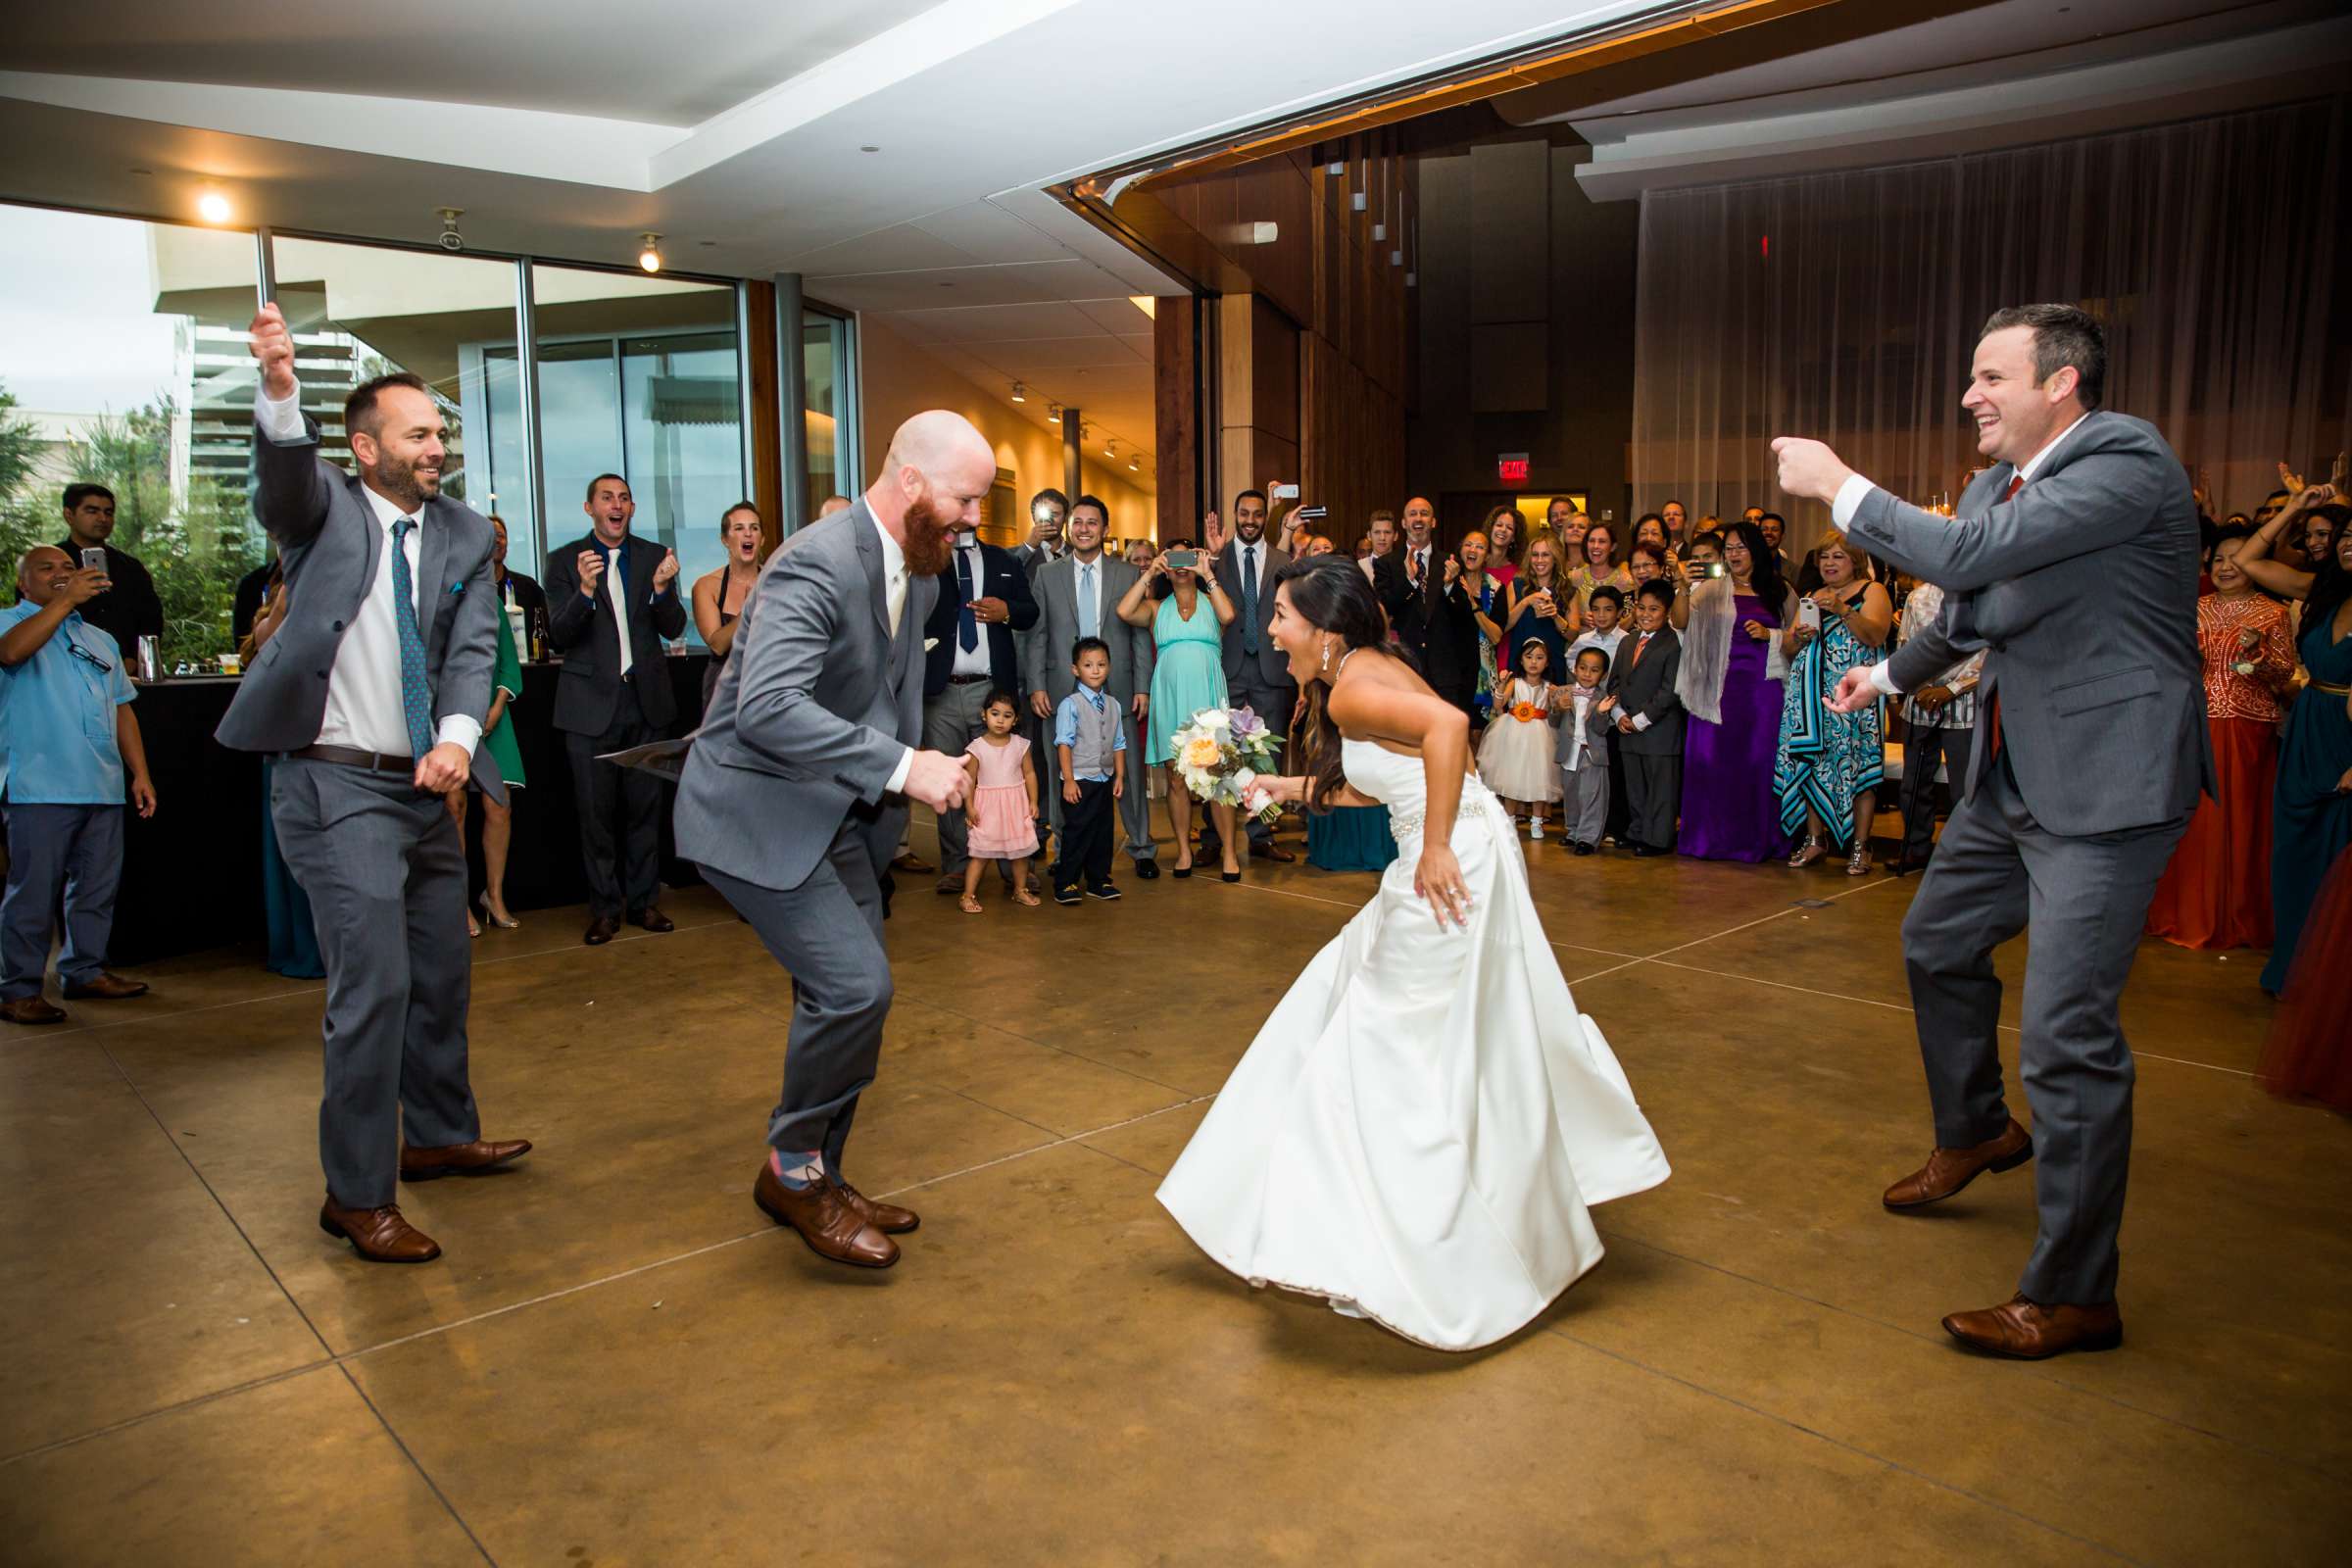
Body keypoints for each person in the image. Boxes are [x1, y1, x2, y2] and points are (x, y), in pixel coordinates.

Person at [1778, 301, 2207, 1358]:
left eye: (1990, 376)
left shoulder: (2123, 458)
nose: (1970, 394)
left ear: (2059, 384)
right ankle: (1976, 1130)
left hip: (2108, 783)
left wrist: (1842, 486)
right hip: (2015, 779)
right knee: (1934, 941)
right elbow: (1967, 610)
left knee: (2068, 1038)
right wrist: (1884, 672)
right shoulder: (1990, 485)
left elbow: (1973, 552)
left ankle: (2074, 1295)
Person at [1156, 556, 1669, 1351]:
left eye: (1283, 617)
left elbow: (1452, 729)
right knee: (1369, 1016)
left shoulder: (1358, 685)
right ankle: (1393, 1226)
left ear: (1322, 628)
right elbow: (1380, 779)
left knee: (1380, 1044)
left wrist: (1432, 848)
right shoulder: (1363, 672)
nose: (1271, 630)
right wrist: (1281, 790)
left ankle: (1412, 1248)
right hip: (1461, 844)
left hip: (1447, 862)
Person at [220, 305, 529, 1264]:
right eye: (421, 432)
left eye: (441, 432)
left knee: (440, 971)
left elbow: (475, 647)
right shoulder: (327, 513)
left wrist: (452, 738)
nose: (439, 445)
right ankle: (356, 1195)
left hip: (418, 788)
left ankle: (435, 1134)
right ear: (366, 447)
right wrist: (279, 394)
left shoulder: (466, 533)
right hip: (332, 783)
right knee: (378, 986)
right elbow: (281, 486)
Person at [676, 410, 980, 1271]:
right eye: (965, 498)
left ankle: (822, 1172)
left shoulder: (917, 570)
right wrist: (901, 768)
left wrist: (908, 770)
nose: (972, 518)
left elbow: (887, 694)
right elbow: (766, 709)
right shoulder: (810, 561)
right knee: (854, 989)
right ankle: (793, 1170)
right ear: (913, 481)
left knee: (851, 1002)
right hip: (759, 812)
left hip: (842, 813)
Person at [0, 545, 157, 1025]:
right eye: (47, 569)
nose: (62, 574)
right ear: (24, 584)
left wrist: (140, 773)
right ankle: (17, 989)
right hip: (40, 784)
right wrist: (64, 601)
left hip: (102, 782)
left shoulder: (100, 639)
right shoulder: (9, 620)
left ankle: (84, 971)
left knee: (95, 888)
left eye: (69, 568)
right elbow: (10, 653)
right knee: (32, 892)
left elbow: (122, 708)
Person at [545, 473, 687, 945]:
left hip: (645, 702)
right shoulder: (566, 561)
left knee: (645, 810)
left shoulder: (652, 557)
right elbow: (561, 636)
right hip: (589, 709)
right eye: (607, 498)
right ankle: (605, 909)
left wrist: (665, 590)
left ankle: (644, 904)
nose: (617, 505)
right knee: (596, 814)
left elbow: (673, 627)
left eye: (624, 498)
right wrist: (585, 592)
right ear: (590, 508)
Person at [2144, 524, 2296, 949]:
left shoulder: (2273, 613)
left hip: (2248, 725)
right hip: (2195, 721)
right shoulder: (2193, 608)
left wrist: (2256, 657)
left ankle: (2237, 915)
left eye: (2236, 558)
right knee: (2195, 818)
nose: (2226, 567)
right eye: (2219, 560)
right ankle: (2185, 910)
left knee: (2242, 818)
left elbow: (2281, 676)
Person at [2233, 491, 2352, 994]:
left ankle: (2332, 980)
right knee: (2295, 854)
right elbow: (2246, 560)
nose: (2348, 546)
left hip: (2346, 741)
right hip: (2307, 731)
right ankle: (2293, 968)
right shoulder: (2322, 590)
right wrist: (2294, 507)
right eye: (2346, 538)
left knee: (2338, 861)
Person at [1025, 496, 1158, 880]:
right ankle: (1065, 851)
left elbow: (1138, 635)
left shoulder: (1126, 574)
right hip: (1060, 688)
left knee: (1127, 768)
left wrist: (1142, 686)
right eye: (1077, 522)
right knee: (1060, 768)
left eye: (1092, 523)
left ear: (1105, 528)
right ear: (1069, 526)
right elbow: (1037, 635)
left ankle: (1141, 846)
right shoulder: (1048, 575)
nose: (1084, 529)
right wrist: (1036, 684)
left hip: (1117, 686)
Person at [923, 510, 1040, 895]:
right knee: (950, 779)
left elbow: (1029, 612)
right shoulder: (929, 562)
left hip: (992, 693)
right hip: (941, 690)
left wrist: (1007, 612)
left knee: (1003, 780)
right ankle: (958, 865)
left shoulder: (1002, 561)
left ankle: (1013, 865)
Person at [1670, 519, 1793, 862]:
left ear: (1756, 550)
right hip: (1716, 690)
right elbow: (1680, 621)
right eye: (1729, 548)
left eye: (1741, 547)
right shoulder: (1712, 588)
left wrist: (1772, 636)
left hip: (1761, 691)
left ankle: (1756, 839)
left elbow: (1799, 637)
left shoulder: (1778, 590)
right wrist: (1683, 587)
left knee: (1757, 763)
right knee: (1712, 763)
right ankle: (1710, 839)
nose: (1734, 554)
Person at [1117, 539, 1240, 880]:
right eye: (1174, 557)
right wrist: (1150, 573)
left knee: (1218, 778)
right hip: (1170, 697)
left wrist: (1208, 573)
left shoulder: (1212, 601)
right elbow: (1124, 612)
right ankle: (1184, 851)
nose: (1181, 563)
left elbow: (1229, 615)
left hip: (1207, 695)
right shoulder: (1157, 608)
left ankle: (1230, 853)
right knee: (1176, 779)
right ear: (1166, 566)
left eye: (1188, 555)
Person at [1775, 532, 1892, 874]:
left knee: (1858, 763)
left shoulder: (1873, 591)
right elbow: (1789, 648)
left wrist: (1842, 610)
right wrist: (1797, 637)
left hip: (1853, 693)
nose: (1829, 563)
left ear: (1854, 560)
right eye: (1824, 557)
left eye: (1838, 557)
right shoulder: (1812, 596)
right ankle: (1815, 841)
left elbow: (1876, 635)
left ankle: (1861, 844)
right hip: (1810, 695)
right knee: (1811, 761)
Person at [237, 560, 326, 979]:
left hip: (336, 750)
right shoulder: (272, 623)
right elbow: (266, 644)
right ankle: (306, 949)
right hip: (291, 754)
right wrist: (289, 601)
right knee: (299, 857)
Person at [1204, 490, 1297, 863]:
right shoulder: (1217, 556)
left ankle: (1261, 835)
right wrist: (1210, 556)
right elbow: (1196, 593)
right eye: (1244, 513)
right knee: (1218, 755)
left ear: (1264, 519)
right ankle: (1212, 837)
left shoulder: (1282, 559)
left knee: (1268, 756)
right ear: (1235, 514)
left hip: (1271, 672)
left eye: (1257, 515)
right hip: (1228, 668)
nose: (1250, 520)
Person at [449, 576, 528, 936]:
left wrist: (497, 707)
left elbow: (509, 663)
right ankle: (457, 903)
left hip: (493, 717)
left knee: (500, 805)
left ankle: (493, 896)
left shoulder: (489, 601)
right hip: (447, 718)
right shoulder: (432, 597)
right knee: (454, 807)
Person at [1888, 576, 1984, 878]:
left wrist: (1951, 689)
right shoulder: (1919, 597)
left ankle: (1962, 856)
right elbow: (1907, 647)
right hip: (1921, 700)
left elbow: (1988, 652)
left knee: (1964, 787)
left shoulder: (1981, 595)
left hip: (1965, 703)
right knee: (1913, 784)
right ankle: (1916, 847)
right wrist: (1922, 686)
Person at [1602, 579, 1686, 856]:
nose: (1646, 614)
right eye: (1641, 607)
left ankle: (1658, 838)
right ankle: (1637, 831)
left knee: (1660, 788)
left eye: (1654, 609)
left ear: (1667, 612)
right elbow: (1614, 682)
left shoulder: (1672, 643)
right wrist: (1618, 713)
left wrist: (1640, 719)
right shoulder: (1628, 641)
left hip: (1658, 730)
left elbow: (1670, 689)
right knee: (1635, 787)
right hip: (1626, 726)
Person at [1051, 639, 1130, 905]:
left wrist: (1119, 775)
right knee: (1077, 831)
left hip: (1104, 778)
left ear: (1108, 667)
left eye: (1101, 664)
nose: (1095, 670)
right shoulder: (1070, 705)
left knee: (1103, 832)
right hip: (1080, 779)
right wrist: (1069, 780)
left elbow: (1119, 742)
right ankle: (1066, 882)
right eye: (1088, 665)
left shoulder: (1113, 704)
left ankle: (1099, 880)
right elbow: (1064, 744)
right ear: (1075, 670)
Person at [54, 482, 164, 662]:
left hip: (126, 671)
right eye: (92, 511)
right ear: (69, 515)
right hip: (65, 668)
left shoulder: (130, 567)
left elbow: (152, 620)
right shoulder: (50, 566)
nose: (102, 518)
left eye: (108, 512)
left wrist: (135, 659)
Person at [959, 689, 1043, 911]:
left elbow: (1030, 774)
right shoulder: (976, 748)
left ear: (1015, 720)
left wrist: (1033, 801)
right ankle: (968, 895)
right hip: (987, 808)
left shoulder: (1020, 745)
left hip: (1016, 806)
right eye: (995, 713)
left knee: (1020, 852)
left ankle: (1020, 890)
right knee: (980, 854)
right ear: (984, 715)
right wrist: (969, 806)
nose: (1000, 720)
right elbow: (969, 779)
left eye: (1007, 716)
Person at [1477, 637, 1559, 839]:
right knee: (1510, 777)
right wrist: (1502, 685)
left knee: (1540, 777)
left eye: (1539, 657)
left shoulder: (1549, 687)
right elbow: (1498, 706)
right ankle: (1510, 818)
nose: (1533, 662)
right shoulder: (1516, 683)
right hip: (1513, 733)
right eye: (1529, 657)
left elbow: (1556, 711)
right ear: (1521, 660)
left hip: (1540, 736)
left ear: (1547, 662)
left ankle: (1537, 821)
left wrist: (1559, 699)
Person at [1420, 530, 1500, 722]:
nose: (1473, 550)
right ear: (1460, 551)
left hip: (1481, 670)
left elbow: (1496, 636)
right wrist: (1448, 584)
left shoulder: (1496, 588)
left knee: (1478, 735)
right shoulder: (1445, 580)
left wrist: (1474, 605)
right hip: (1449, 670)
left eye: (1480, 547)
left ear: (1487, 556)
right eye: (1468, 545)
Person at [693, 502, 764, 710]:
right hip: (723, 690)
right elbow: (717, 644)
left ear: (762, 538)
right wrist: (750, 609)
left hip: (767, 683)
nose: (748, 534)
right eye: (739, 528)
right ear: (725, 539)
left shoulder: (778, 580)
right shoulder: (707, 586)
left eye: (754, 528)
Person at [1554, 645, 1615, 855]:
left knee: (1591, 795)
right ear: (1575, 669)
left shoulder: (1604, 697)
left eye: (1594, 670)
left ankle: (1587, 839)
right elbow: (1553, 722)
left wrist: (1600, 712)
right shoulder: (1563, 691)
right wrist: (1556, 708)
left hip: (1591, 752)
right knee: (1571, 795)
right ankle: (1573, 832)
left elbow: (1601, 729)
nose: (1587, 674)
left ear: (1604, 674)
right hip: (1568, 751)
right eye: (1583, 668)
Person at [1503, 532, 1578, 680]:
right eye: (1535, 555)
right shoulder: (1517, 585)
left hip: (1553, 666)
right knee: (1520, 704)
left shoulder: (1568, 591)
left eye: (1545, 555)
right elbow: (1503, 626)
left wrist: (1555, 616)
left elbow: (1573, 635)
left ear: (1555, 559)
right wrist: (1526, 602)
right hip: (1521, 666)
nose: (1539, 560)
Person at [488, 514, 547, 658]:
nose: (497, 540)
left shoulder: (528, 588)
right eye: (489, 535)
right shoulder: (468, 592)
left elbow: (550, 633)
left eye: (501, 536)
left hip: (526, 673)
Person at [1567, 520, 1634, 615]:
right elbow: (1563, 617)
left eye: (1602, 541)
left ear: (1613, 547)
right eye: (1592, 541)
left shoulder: (1627, 581)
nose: (1595, 546)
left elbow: (1628, 620)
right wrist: (1580, 620)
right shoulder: (1572, 578)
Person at [1485, 507, 1521, 590]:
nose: (1503, 530)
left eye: (1509, 528)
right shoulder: (1477, 563)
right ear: (1491, 529)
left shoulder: (1518, 572)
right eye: (1499, 525)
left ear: (1513, 537)